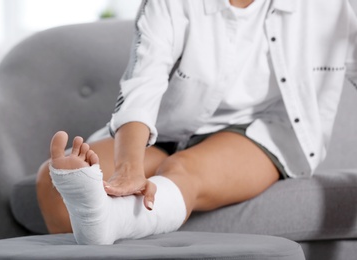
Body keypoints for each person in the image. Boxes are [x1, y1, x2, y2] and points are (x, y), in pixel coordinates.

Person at [36, 0, 357, 245]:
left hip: (262, 130)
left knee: (183, 170)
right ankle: (101, 228)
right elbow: (142, 84)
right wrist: (128, 167)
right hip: (170, 127)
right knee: (51, 183)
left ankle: (106, 224)